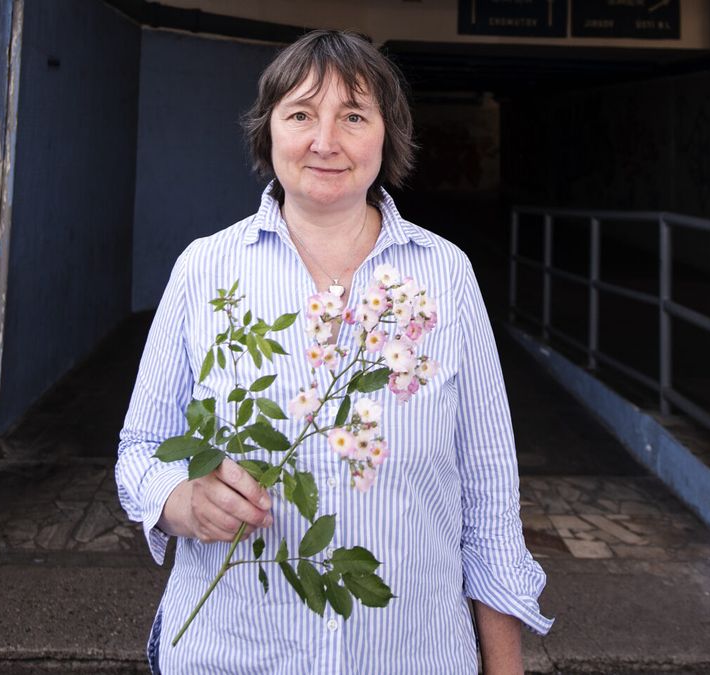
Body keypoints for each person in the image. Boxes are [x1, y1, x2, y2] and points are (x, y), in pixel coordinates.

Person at [116, 29, 552, 674]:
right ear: (268, 132)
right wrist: (180, 501)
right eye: (300, 114)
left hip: (412, 655)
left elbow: (488, 494)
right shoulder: (206, 270)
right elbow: (141, 450)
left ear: (388, 135)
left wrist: (506, 667)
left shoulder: (445, 276)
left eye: (353, 115)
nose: (325, 141)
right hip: (232, 655)